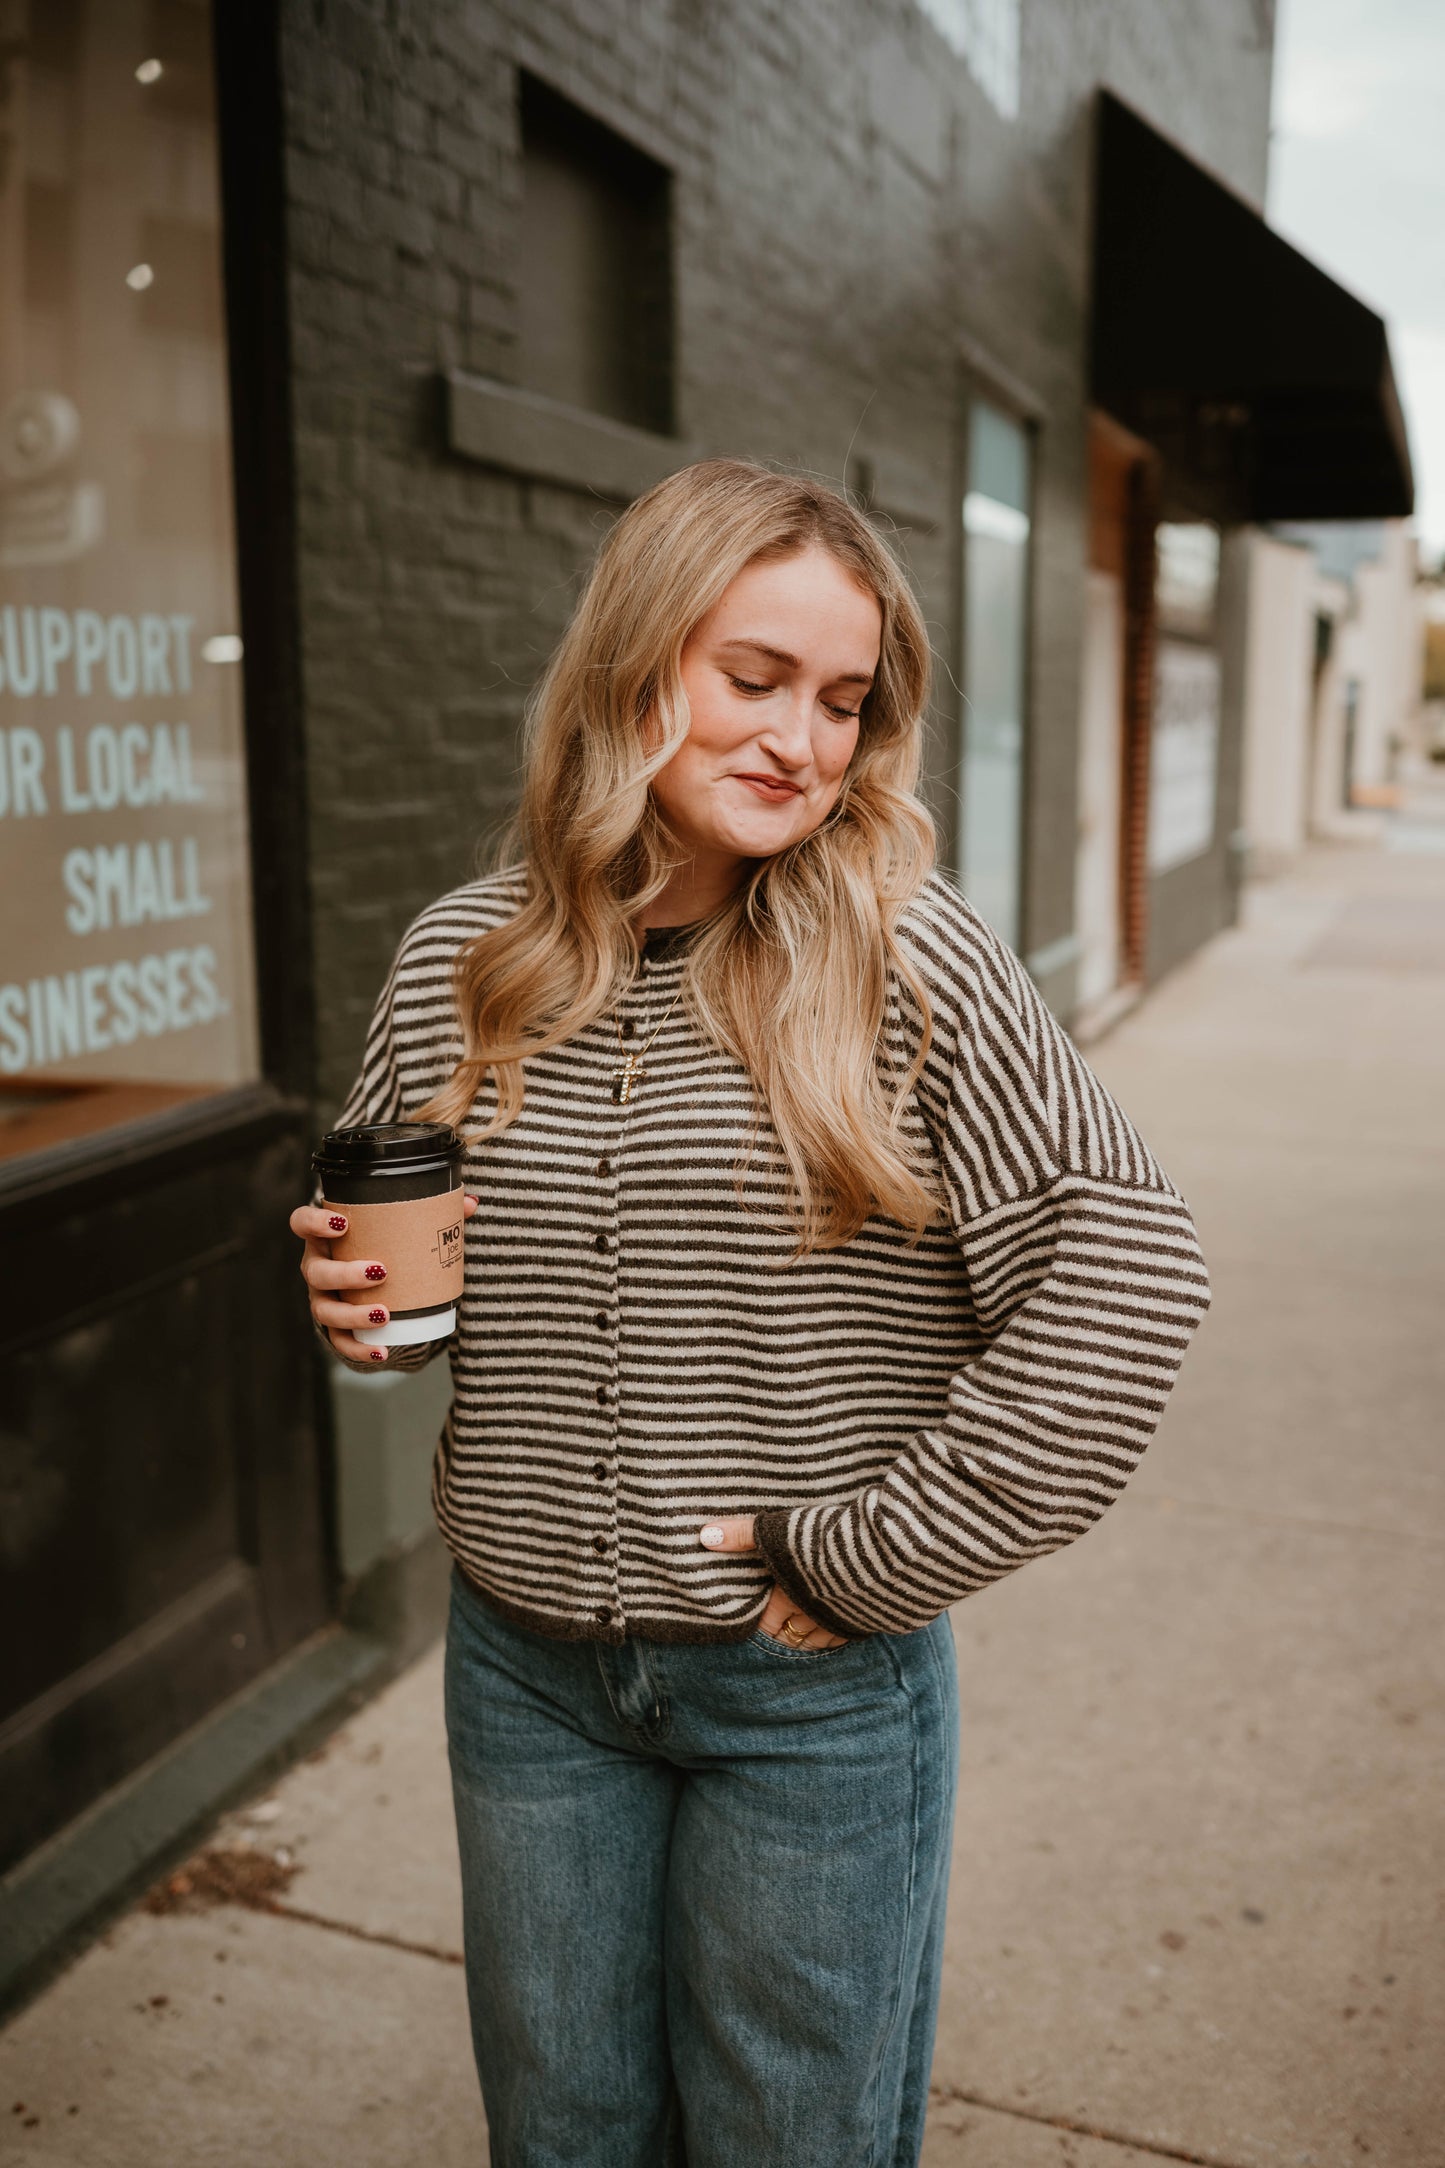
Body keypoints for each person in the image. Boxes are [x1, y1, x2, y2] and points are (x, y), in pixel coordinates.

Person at [290, 459, 1209, 2168]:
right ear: (635, 669)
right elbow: (406, 1258)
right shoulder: (460, 961)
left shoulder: (900, 958)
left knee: (790, 2138)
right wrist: (361, 1311)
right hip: (526, 1672)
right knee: (562, 2134)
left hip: (804, 1698)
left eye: (844, 703)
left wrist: (871, 1552)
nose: (804, 742)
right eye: (756, 679)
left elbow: (1128, 1267)